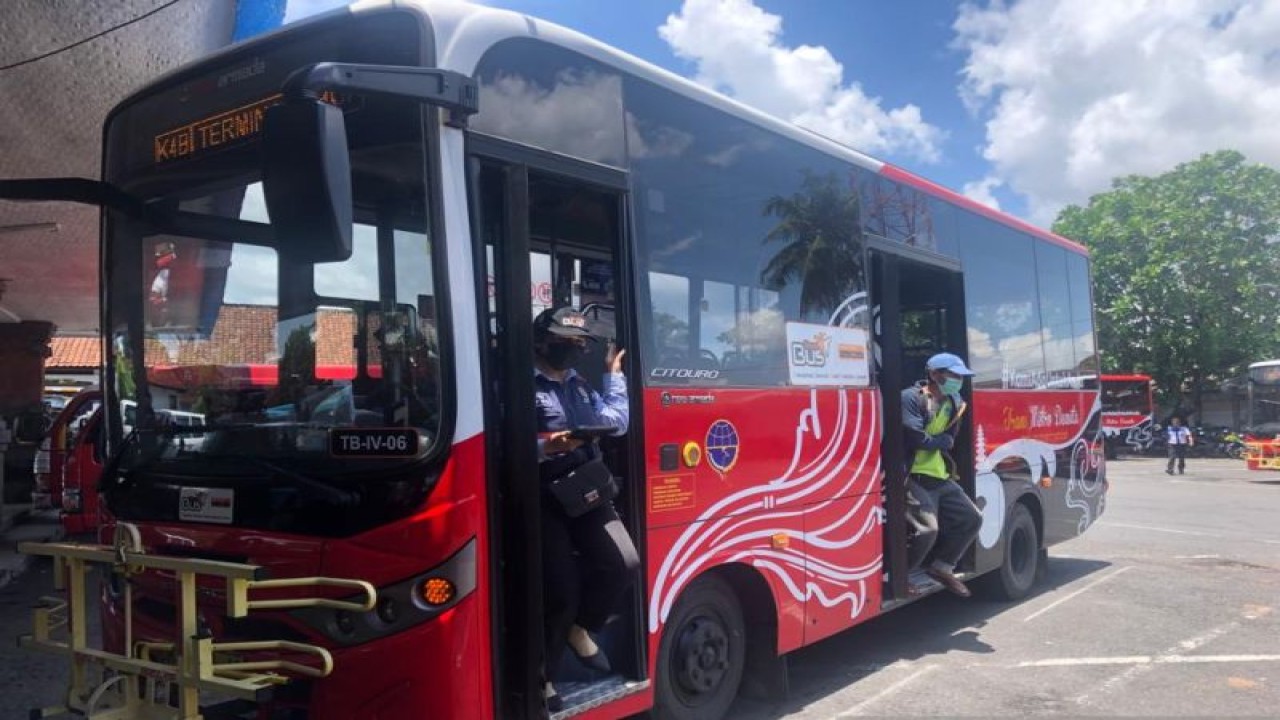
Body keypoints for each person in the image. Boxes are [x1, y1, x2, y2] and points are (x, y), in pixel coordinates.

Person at [533, 307, 640, 711]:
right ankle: (543, 680)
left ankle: (584, 628)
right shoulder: (520, 384)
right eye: (565, 340)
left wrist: (614, 375)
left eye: (579, 342)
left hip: (587, 488)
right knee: (561, 590)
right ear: (542, 340)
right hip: (545, 494)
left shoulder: (580, 386)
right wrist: (547, 446)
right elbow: (499, 439)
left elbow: (617, 422)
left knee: (624, 562)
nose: (573, 348)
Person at [901, 352, 984, 598]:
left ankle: (941, 568)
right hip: (912, 475)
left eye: (961, 376)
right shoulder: (910, 398)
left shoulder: (954, 402)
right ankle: (900, 577)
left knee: (972, 518)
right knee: (927, 531)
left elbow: (950, 439)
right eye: (953, 375)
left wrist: (936, 442)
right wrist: (939, 441)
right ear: (934, 374)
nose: (958, 380)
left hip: (938, 474)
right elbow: (915, 438)